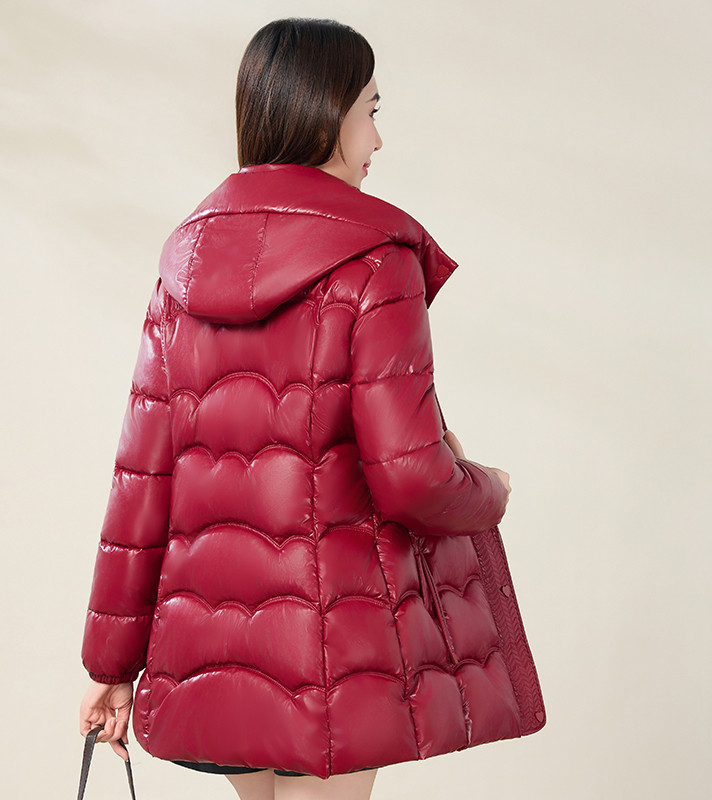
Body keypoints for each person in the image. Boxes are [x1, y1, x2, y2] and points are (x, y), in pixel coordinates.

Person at [78, 16, 545, 800]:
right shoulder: (376, 260)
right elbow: (412, 477)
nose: (377, 138)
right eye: (371, 111)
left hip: (209, 651)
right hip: (336, 650)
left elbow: (140, 486)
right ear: (327, 112)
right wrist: (488, 486)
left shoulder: (182, 264)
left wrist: (108, 665)